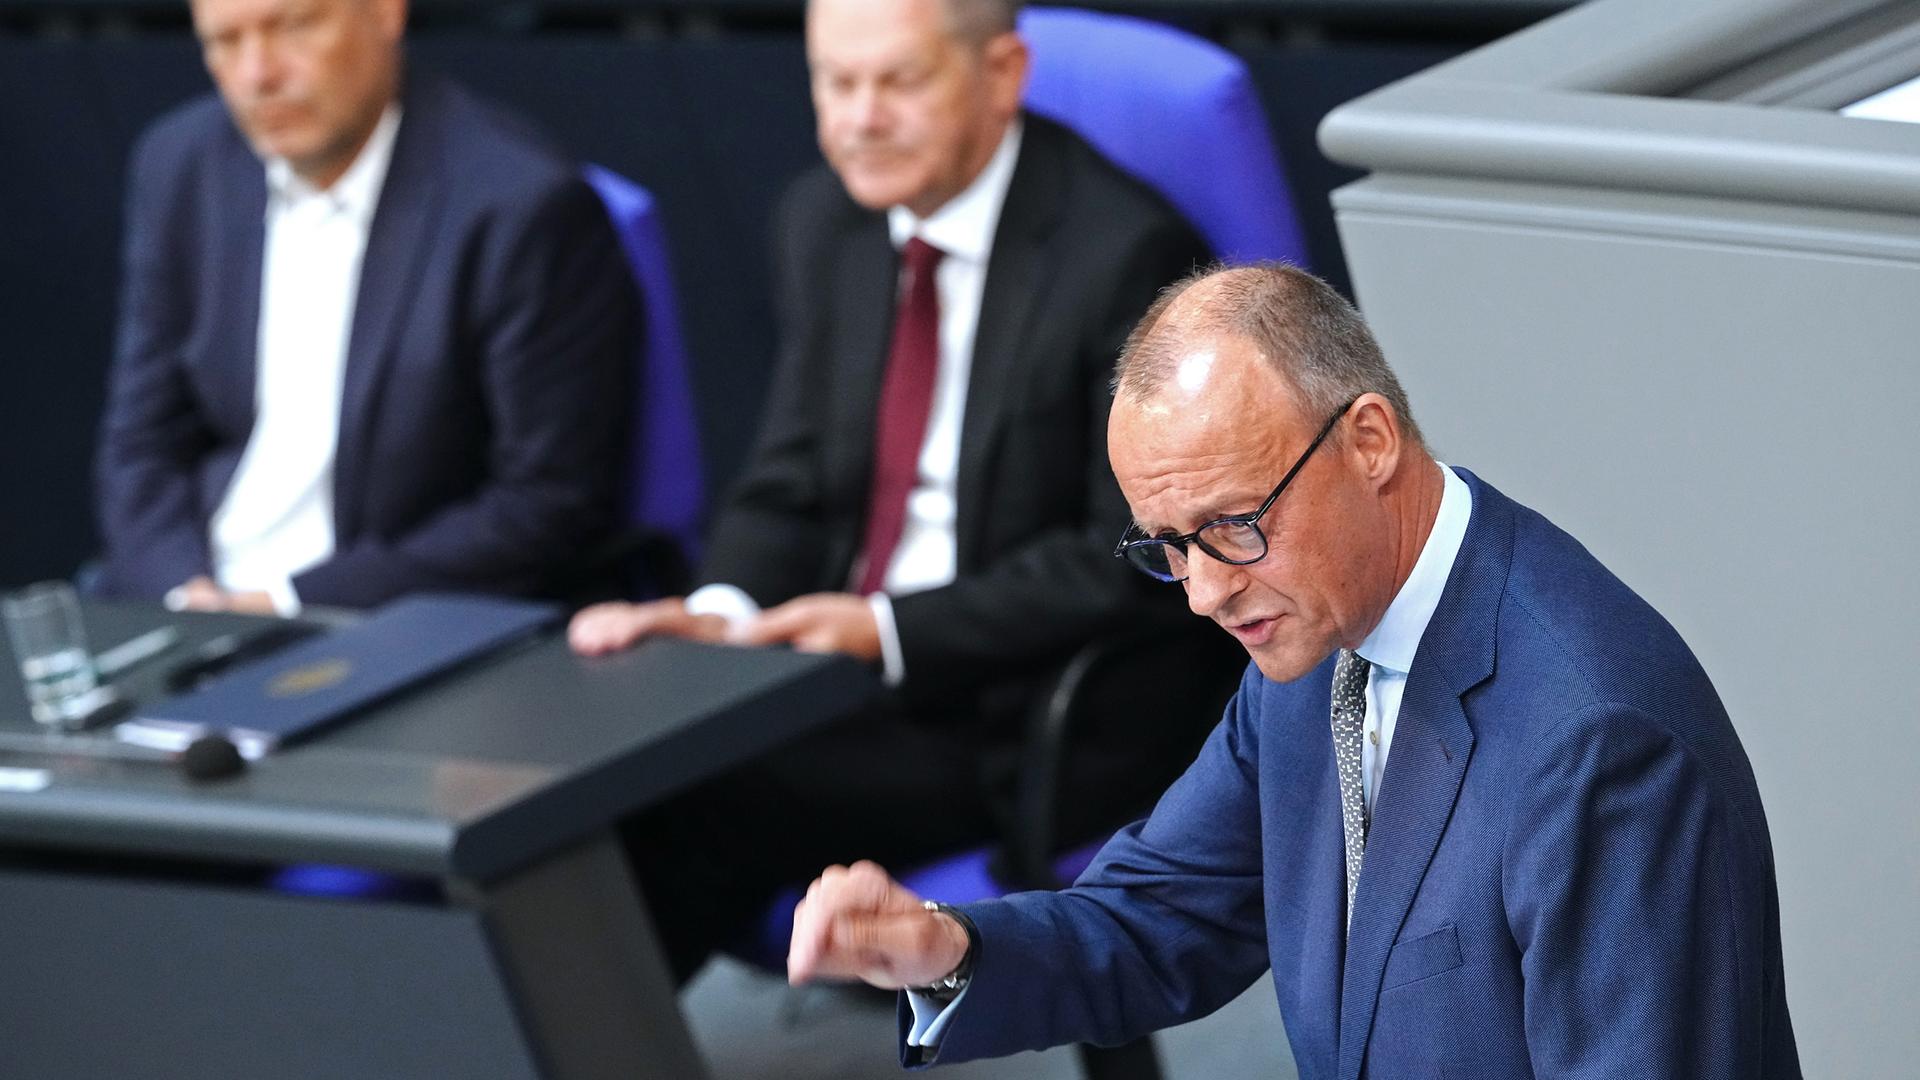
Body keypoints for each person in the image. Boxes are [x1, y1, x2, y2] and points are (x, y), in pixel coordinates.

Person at [786, 264, 1802, 1079]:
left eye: (1233, 524)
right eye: (1169, 545)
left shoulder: (1599, 744)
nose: (1203, 592)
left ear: (1369, 441)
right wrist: (947, 950)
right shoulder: (1314, 638)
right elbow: (1162, 917)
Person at [570, 0, 1220, 979]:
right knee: (601, 745)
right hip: (846, 675)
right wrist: (721, 615)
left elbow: (1129, 557)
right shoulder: (824, 222)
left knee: (666, 803)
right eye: (836, 82)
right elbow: (790, 478)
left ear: (1001, 74)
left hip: (1024, 703)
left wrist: (886, 629)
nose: (860, 119)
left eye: (899, 81)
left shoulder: (1125, 255)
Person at [95, 0, 632, 615]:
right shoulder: (182, 164)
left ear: (385, 12)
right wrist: (182, 594)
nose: (258, 74)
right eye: (225, 41)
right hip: (189, 596)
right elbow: (142, 440)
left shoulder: (516, 202)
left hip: (383, 615)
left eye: (293, 26)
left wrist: (284, 605)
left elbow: (547, 502)